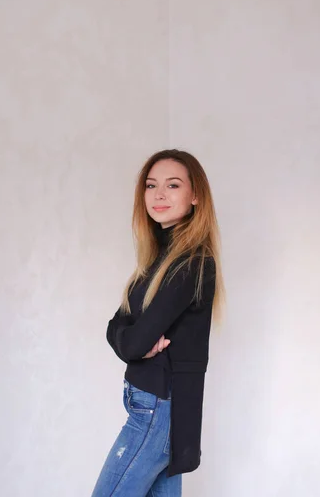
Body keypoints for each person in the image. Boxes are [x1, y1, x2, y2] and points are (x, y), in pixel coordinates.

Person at [91, 149, 225, 497]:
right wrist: (129, 337)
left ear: (195, 196)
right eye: (151, 185)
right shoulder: (156, 260)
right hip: (154, 407)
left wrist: (130, 339)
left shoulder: (191, 263)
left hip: (156, 409)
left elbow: (131, 342)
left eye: (173, 184)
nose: (159, 194)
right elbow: (116, 326)